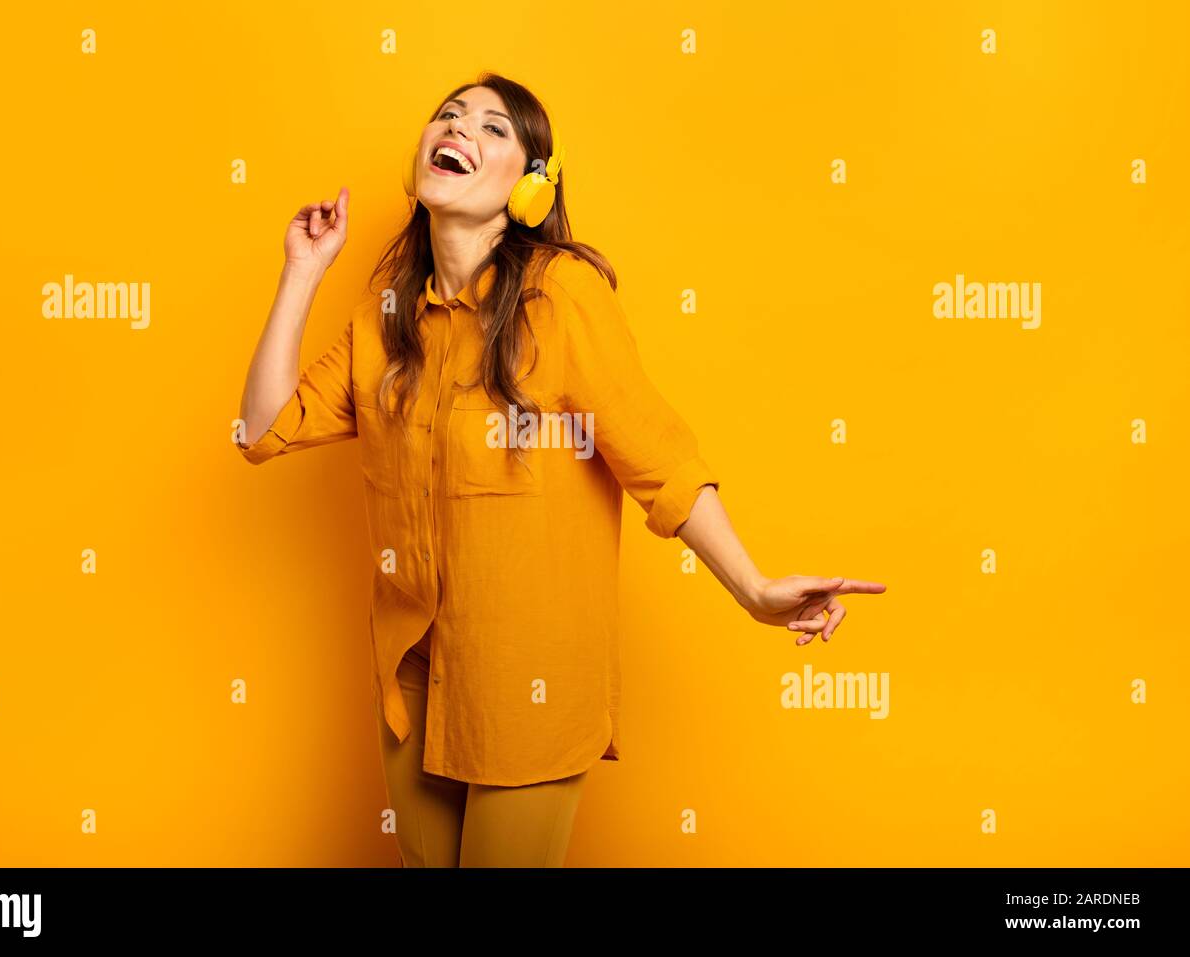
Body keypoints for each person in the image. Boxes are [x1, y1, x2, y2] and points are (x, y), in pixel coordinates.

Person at [235, 72, 887, 867]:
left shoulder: (564, 298)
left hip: (527, 687)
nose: (460, 128)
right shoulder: (386, 316)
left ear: (532, 186)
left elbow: (661, 458)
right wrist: (302, 271)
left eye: (494, 128)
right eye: (449, 116)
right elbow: (262, 429)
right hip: (411, 673)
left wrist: (754, 589)